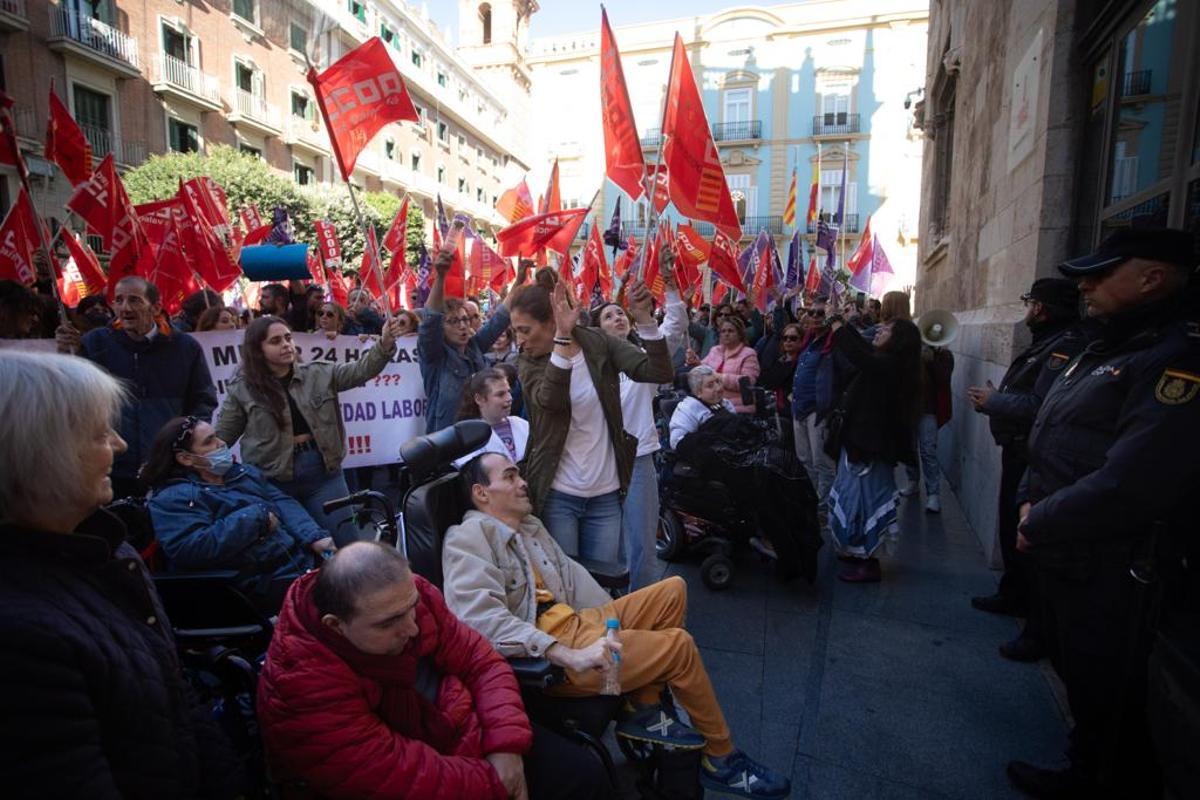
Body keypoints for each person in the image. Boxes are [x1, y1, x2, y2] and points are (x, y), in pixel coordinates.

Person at [443, 453, 791, 800]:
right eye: (509, 476)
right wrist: (563, 652)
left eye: (519, 474)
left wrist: (614, 620)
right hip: (557, 653)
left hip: (580, 622)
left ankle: (642, 705)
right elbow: (478, 619)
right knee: (678, 646)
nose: (522, 482)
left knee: (673, 590)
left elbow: (573, 577)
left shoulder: (529, 526)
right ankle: (721, 758)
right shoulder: (466, 538)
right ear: (481, 493)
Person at [1006, 228, 1200, 799]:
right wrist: (1026, 496)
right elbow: (1048, 425)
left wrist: (1036, 519)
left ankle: (1101, 779)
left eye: (1101, 273)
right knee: (1083, 677)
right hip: (1066, 545)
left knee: (1112, 691)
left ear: (1152, 277)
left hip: (1120, 566)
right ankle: (1088, 763)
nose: (1085, 286)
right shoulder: (1104, 344)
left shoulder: (1177, 358)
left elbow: (1133, 479)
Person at [0, 351, 240, 797]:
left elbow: (173, 691)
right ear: (39, 454)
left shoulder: (111, 548)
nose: (120, 445)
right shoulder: (19, 636)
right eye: (98, 433)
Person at [258, 541, 612, 800]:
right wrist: (495, 780)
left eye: (411, 609)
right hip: (420, 771)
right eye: (390, 623)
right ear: (336, 626)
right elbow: (390, 775)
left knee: (584, 776)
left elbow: (482, 662)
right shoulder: (301, 683)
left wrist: (506, 746)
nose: (411, 627)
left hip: (463, 729)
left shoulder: (409, 597)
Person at [511, 273, 673, 565]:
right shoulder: (528, 362)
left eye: (524, 330)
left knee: (600, 588)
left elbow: (658, 372)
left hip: (606, 496)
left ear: (550, 321)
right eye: (515, 332)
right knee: (566, 588)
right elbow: (550, 401)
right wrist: (561, 340)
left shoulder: (598, 343)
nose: (519, 341)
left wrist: (646, 320)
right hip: (558, 494)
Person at [966, 278, 1087, 663]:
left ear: (1043, 309)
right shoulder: (1050, 344)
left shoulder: (1065, 347)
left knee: (1027, 535)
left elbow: (1043, 406)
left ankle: (1036, 630)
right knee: (1009, 524)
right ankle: (1012, 593)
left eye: (1031, 302)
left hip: (1035, 455)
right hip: (1019, 449)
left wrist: (996, 401)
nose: (1028, 309)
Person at [214, 313, 405, 545]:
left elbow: (360, 371)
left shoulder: (319, 373)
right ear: (257, 349)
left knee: (347, 543)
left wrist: (384, 342)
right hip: (273, 480)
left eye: (287, 338)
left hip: (324, 473)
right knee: (298, 549)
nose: (286, 345)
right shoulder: (242, 389)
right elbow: (222, 438)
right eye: (275, 341)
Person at [142, 416, 335, 613]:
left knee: (355, 571)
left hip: (297, 564)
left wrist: (316, 537)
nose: (221, 443)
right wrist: (255, 518)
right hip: (251, 585)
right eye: (209, 441)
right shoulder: (173, 498)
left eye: (216, 436)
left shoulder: (242, 473)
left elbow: (282, 502)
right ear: (185, 458)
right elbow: (190, 547)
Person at [56, 275, 218, 499]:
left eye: (134, 300)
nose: (125, 308)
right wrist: (66, 354)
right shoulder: (95, 343)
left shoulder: (185, 347)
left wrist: (184, 445)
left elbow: (203, 401)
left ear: (155, 307)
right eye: (119, 300)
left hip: (167, 469)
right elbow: (74, 396)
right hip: (112, 467)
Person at [591, 252, 688, 589]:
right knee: (604, 542)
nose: (617, 317)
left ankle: (643, 607)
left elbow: (674, 329)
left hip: (639, 460)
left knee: (643, 540)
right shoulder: (586, 369)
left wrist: (668, 288)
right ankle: (605, 606)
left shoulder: (647, 361)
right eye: (608, 316)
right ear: (596, 330)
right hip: (597, 461)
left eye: (620, 313)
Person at [668, 366, 822, 576]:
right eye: (710, 385)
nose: (718, 388)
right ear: (697, 392)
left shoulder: (725, 405)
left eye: (718, 382)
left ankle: (790, 539)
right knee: (764, 482)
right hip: (711, 467)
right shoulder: (687, 409)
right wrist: (714, 440)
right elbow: (678, 443)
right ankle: (770, 535)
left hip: (738, 459)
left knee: (782, 472)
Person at [824, 315, 922, 583]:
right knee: (851, 496)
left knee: (866, 501)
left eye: (887, 329)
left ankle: (868, 561)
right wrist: (843, 325)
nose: (879, 330)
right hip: (859, 442)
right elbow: (864, 350)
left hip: (871, 447)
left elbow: (859, 354)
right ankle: (854, 551)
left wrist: (837, 327)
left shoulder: (892, 365)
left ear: (898, 340)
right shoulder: (884, 361)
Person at [418, 250, 522, 434]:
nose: (463, 326)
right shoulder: (434, 356)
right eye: (453, 321)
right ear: (441, 329)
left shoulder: (474, 347)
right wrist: (441, 276)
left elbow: (500, 319)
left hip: (482, 435)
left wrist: (519, 282)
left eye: (465, 319)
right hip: (448, 442)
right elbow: (430, 321)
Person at [790, 296, 838, 505]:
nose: (816, 317)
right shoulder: (808, 341)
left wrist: (837, 319)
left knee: (821, 462)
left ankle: (826, 505)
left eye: (821, 313)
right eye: (812, 312)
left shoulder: (833, 343)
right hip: (798, 408)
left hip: (817, 411)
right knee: (804, 459)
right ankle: (812, 500)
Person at [454, 367, 530, 466]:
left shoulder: (522, 424)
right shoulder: (470, 437)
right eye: (500, 394)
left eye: (508, 392)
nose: (509, 398)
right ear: (479, 399)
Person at [689, 314, 760, 413]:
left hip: (738, 409)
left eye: (730, 331)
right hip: (712, 405)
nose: (726, 334)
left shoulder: (748, 354)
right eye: (723, 331)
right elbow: (703, 370)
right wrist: (695, 362)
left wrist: (717, 377)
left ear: (740, 334)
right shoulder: (715, 350)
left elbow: (747, 383)